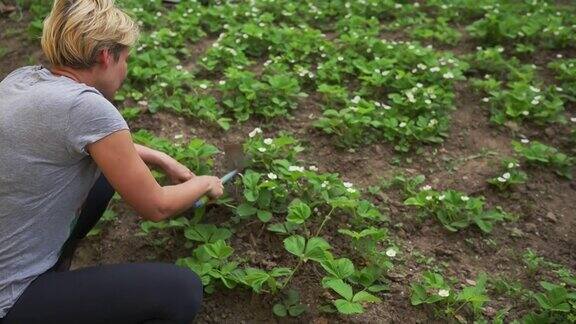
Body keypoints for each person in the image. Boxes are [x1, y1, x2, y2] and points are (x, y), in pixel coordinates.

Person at [0, 0, 224, 323]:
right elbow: (157, 206)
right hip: (10, 298)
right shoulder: (86, 107)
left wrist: (159, 157)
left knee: (104, 178)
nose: (126, 69)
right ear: (107, 56)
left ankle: (55, 273)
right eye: (126, 58)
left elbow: (90, 143)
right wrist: (206, 182)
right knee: (182, 291)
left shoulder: (21, 80)